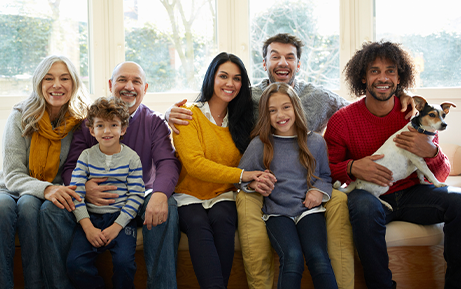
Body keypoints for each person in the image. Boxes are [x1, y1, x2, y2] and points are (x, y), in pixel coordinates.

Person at [167, 34, 415, 289]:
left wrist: (402, 95)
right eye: (275, 56)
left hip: (305, 200)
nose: (282, 62)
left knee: (320, 250)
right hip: (266, 198)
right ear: (264, 64)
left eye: (289, 57)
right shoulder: (244, 97)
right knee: (288, 253)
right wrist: (169, 113)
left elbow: (361, 106)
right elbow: (211, 108)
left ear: (299, 64)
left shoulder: (319, 101)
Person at [324, 40, 461, 289]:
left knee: (459, 200)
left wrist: (431, 151)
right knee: (364, 209)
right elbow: (325, 169)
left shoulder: (416, 116)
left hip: (412, 194)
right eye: (374, 71)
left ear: (400, 79)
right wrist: (352, 168)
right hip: (370, 195)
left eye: (390, 70)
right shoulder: (342, 120)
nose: (383, 77)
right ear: (363, 78)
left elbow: (440, 175)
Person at [39, 61, 181, 289]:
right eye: (122, 80)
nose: (129, 86)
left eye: (136, 81)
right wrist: (85, 187)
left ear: (145, 88)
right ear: (110, 84)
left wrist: (160, 194)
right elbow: (70, 167)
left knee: (168, 205)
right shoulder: (89, 123)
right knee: (50, 210)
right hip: (93, 203)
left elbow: (167, 162)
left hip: (138, 196)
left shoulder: (154, 122)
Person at [172, 52, 275, 289]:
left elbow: (251, 162)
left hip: (225, 194)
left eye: (237, 78)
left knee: (223, 219)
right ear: (211, 77)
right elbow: (195, 165)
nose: (230, 84)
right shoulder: (187, 114)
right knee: (198, 224)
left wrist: (248, 179)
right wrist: (243, 175)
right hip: (189, 193)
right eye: (224, 76)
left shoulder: (244, 119)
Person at [0, 55, 90, 289]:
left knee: (29, 206)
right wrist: (46, 188)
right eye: (49, 78)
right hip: (12, 186)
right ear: (39, 83)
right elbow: (12, 174)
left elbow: (117, 121)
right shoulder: (21, 115)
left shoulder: (82, 119)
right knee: (1, 208)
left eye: (64, 78)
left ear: (74, 83)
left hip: (56, 189)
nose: (56, 85)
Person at [239, 82, 338, 289]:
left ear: (296, 107)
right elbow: (240, 178)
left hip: (309, 211)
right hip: (277, 213)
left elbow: (326, 177)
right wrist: (255, 184)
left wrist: (318, 191)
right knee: (292, 256)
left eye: (286, 107)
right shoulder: (260, 144)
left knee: (318, 256)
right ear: (266, 115)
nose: (280, 115)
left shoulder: (316, 143)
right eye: (272, 110)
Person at [66, 97, 144, 288]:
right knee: (74, 263)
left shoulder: (132, 158)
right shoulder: (86, 156)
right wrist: (88, 227)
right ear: (92, 130)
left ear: (123, 129)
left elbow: (136, 195)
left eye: (113, 125)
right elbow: (75, 192)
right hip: (90, 218)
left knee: (124, 263)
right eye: (100, 125)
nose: (107, 131)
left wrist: (116, 226)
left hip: (121, 220)